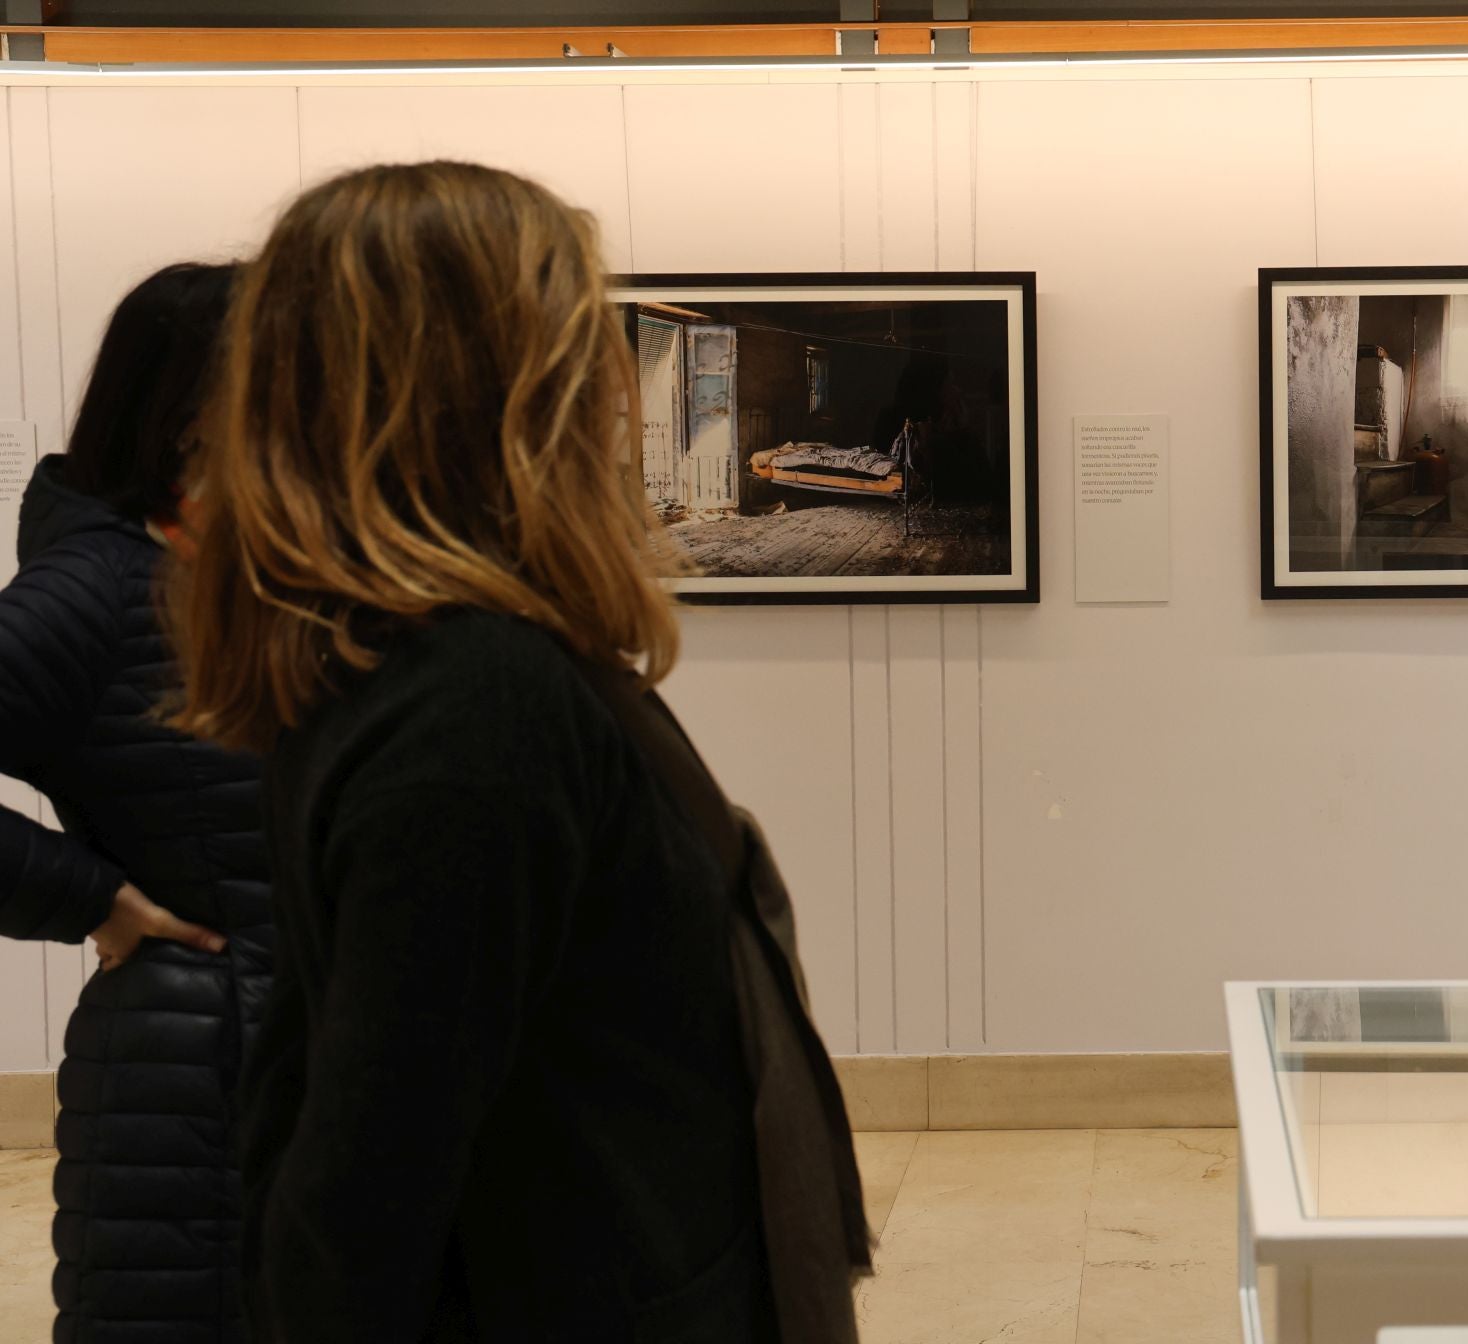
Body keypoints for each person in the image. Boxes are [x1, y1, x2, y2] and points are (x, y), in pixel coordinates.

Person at [167, 162, 866, 1343]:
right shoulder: (476, 712)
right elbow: (363, 1197)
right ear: (500, 391)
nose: (609, 389)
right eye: (578, 341)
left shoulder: (428, 672)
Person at [0, 261, 272, 1344]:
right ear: (194, 409)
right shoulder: (98, 585)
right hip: (187, 1084)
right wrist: (90, 898)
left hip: (307, 1067)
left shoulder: (266, 573)